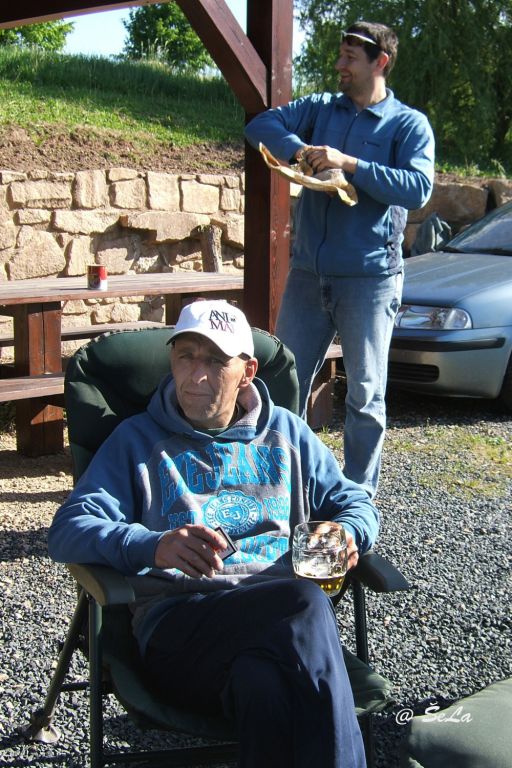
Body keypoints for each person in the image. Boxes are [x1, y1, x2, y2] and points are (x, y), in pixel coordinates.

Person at [48, 298, 380, 768]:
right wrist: (153, 545)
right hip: (183, 628)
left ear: (247, 372)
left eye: (215, 362)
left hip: (280, 632)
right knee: (305, 602)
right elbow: (68, 530)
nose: (196, 376)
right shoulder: (137, 440)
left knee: (262, 685)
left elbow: (355, 502)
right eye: (185, 356)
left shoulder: (287, 433)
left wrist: (348, 533)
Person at [245, 20, 435, 498]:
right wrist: (302, 152)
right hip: (308, 276)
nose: (339, 65)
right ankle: (278, 490)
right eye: (341, 55)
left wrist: (349, 164)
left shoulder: (408, 124)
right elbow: (260, 125)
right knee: (281, 384)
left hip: (370, 281)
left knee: (365, 396)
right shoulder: (321, 108)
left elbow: (417, 188)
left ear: (380, 62)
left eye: (350, 58)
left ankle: (357, 500)